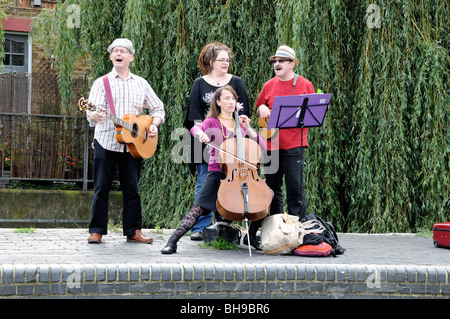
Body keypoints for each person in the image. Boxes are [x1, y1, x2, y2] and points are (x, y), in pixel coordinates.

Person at [162, 85, 263, 254]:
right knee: (199, 209)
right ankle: (173, 241)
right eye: (227, 98)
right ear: (218, 102)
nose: (231, 102)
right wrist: (200, 133)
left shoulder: (241, 124)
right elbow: (195, 128)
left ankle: (251, 236)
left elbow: (262, 145)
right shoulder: (213, 121)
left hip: (241, 174)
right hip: (217, 172)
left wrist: (249, 128)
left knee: (264, 200)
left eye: (233, 99)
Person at [85, 38, 165, 244]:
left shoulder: (141, 83)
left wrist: (154, 124)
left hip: (134, 145)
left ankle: (133, 230)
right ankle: (96, 231)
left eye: (123, 51)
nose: (118, 53)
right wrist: (94, 116)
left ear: (131, 57)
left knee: (132, 189)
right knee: (101, 187)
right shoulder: (101, 82)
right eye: (115, 51)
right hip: (106, 140)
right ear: (111, 57)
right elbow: (90, 111)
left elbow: (158, 108)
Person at [183, 42, 250, 241]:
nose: (225, 63)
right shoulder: (199, 84)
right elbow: (193, 118)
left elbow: (243, 113)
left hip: (231, 144)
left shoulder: (236, 82)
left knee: (229, 183)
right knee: (205, 183)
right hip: (206, 143)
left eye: (228, 60)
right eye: (221, 60)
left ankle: (223, 225)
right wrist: (201, 135)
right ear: (211, 62)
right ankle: (199, 227)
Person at [255, 45, 315, 224]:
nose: (277, 64)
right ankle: (276, 227)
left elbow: (313, 112)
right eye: (275, 61)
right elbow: (258, 108)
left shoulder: (305, 84)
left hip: (294, 144)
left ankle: (298, 228)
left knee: (295, 188)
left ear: (292, 64)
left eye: (281, 61)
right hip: (271, 145)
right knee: (272, 188)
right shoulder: (268, 85)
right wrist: (262, 108)